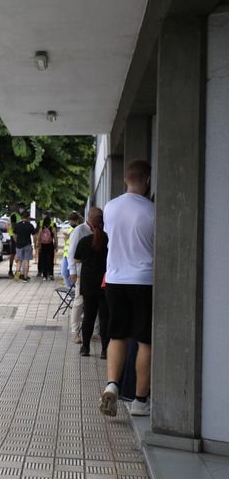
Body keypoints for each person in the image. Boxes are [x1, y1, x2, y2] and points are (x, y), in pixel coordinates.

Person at [99, 160, 154, 418]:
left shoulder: (110, 207)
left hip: (115, 280)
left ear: (125, 180)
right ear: (148, 179)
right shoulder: (152, 211)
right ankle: (140, 401)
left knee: (118, 335)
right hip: (144, 280)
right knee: (144, 340)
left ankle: (112, 383)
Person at [74, 207, 109, 358]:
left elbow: (77, 259)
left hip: (88, 283)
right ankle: (105, 350)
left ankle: (85, 347)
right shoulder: (108, 239)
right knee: (104, 317)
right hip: (105, 283)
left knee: (88, 315)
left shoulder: (84, 241)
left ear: (90, 220)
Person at [67, 212, 93, 344]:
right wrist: (72, 271)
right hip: (81, 272)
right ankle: (75, 332)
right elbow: (71, 252)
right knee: (79, 300)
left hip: (96, 272)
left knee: (96, 302)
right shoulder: (79, 230)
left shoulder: (100, 230)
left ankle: (96, 331)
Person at [12, 211, 36, 282]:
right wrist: (34, 243)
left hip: (19, 245)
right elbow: (34, 236)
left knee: (19, 260)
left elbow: (14, 235)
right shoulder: (30, 225)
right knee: (26, 261)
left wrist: (17, 241)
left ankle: (17, 276)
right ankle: (25, 277)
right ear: (28, 217)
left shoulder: (17, 225)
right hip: (27, 245)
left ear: (22, 217)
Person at [61, 212, 82, 287]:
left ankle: (72, 290)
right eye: (69, 221)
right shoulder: (70, 229)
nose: (70, 223)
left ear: (77, 221)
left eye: (72, 221)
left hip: (74, 255)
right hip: (66, 255)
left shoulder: (79, 229)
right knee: (64, 273)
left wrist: (69, 236)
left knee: (73, 274)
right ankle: (70, 290)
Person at [35, 211, 56, 280]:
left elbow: (38, 236)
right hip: (50, 244)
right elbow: (55, 237)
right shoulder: (53, 226)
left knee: (43, 259)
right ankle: (51, 274)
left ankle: (44, 276)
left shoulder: (41, 226)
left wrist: (37, 244)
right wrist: (56, 245)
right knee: (51, 259)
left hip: (43, 245)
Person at [7, 202, 24, 276]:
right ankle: (10, 270)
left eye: (23, 207)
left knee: (19, 254)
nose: (22, 209)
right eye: (21, 207)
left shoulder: (20, 216)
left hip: (19, 236)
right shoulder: (14, 215)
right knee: (13, 253)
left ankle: (18, 271)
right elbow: (13, 227)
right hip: (14, 236)